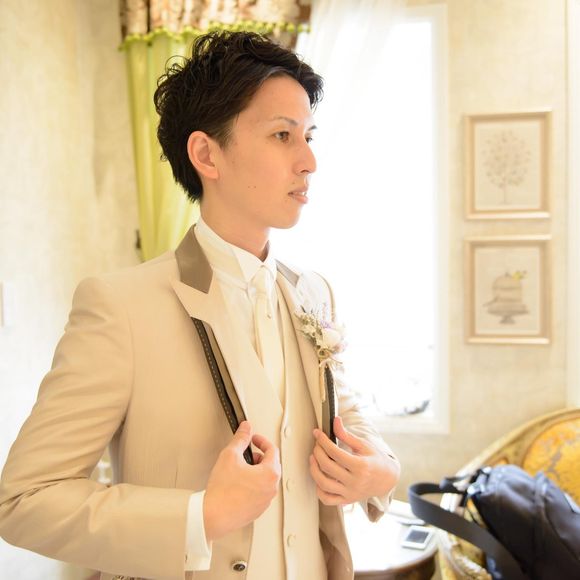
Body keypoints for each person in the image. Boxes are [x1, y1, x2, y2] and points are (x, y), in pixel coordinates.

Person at [0, 30, 400, 580]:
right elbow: (24, 500)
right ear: (207, 154)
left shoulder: (314, 293)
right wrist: (200, 515)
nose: (309, 160)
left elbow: (348, 419)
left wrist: (381, 472)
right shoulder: (120, 307)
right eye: (282, 135)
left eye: (308, 136)